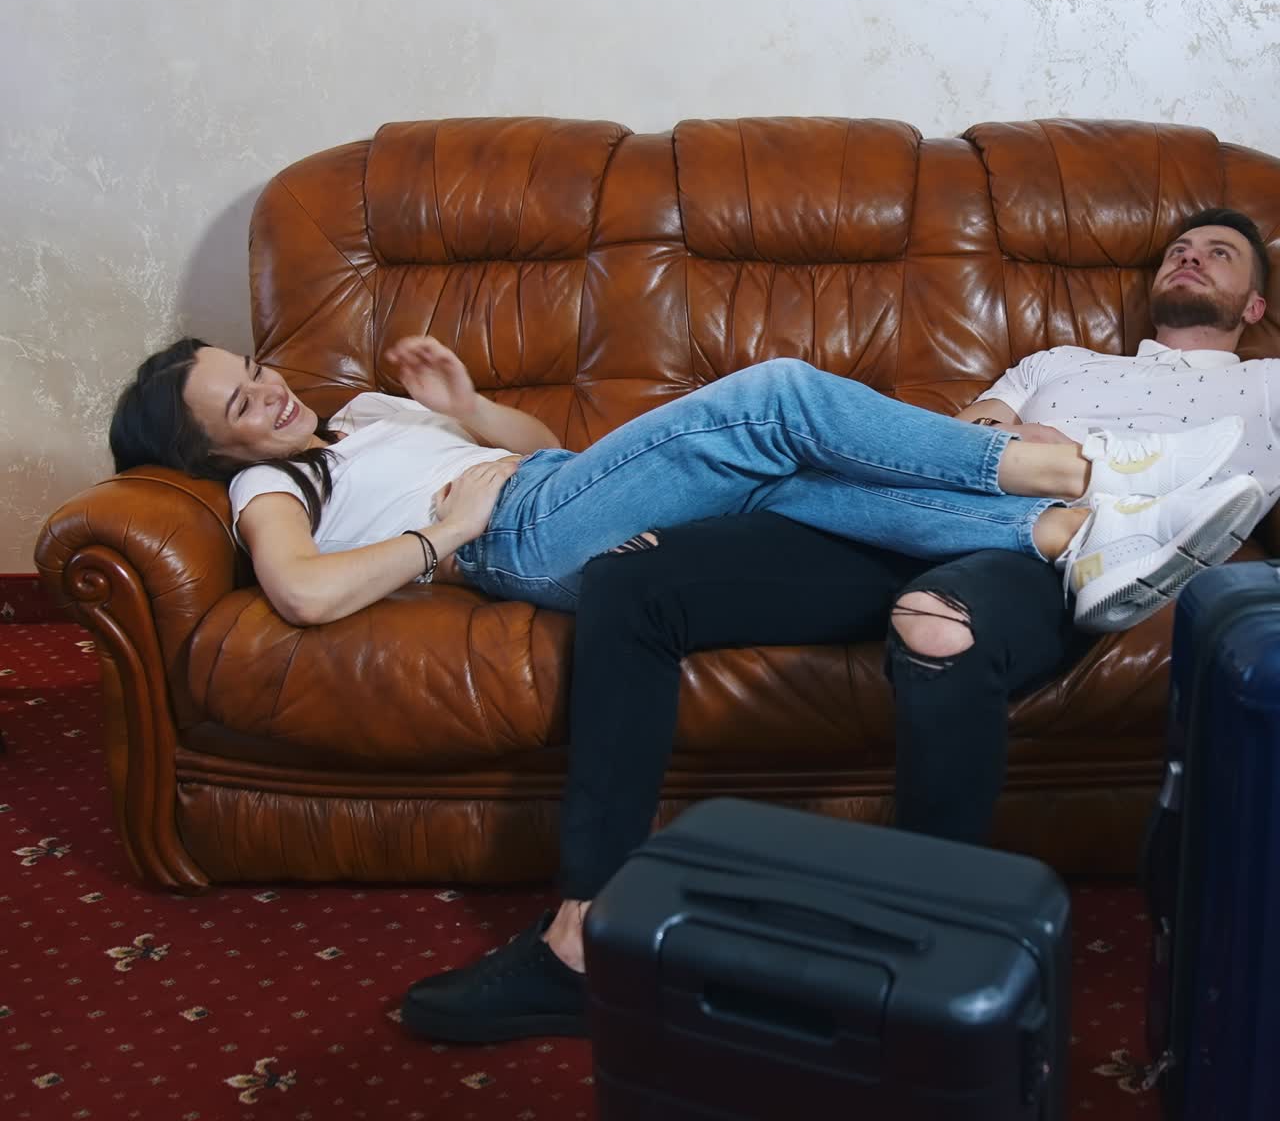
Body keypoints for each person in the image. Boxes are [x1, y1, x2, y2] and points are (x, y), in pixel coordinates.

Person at [397, 207, 1280, 1043]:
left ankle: (929, 955)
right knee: (632, 576)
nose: (1189, 254)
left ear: (1253, 305)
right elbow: (961, 432)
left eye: (1218, 252)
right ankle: (582, 939)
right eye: (1179, 246)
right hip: (944, 511)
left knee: (937, 625)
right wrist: (1007, 431)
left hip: (1024, 569)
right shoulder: (1059, 359)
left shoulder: (1265, 387)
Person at [108, 250, 1262, 638]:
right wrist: (431, 536)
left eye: (253, 371)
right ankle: (1096, 475)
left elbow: (545, 441)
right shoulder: (273, 479)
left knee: (796, 475)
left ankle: (1070, 537)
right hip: (511, 537)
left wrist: (462, 409)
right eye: (237, 406)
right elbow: (304, 595)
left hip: (551, 490)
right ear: (212, 451)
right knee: (772, 397)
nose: (266, 396)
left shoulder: (361, 412)